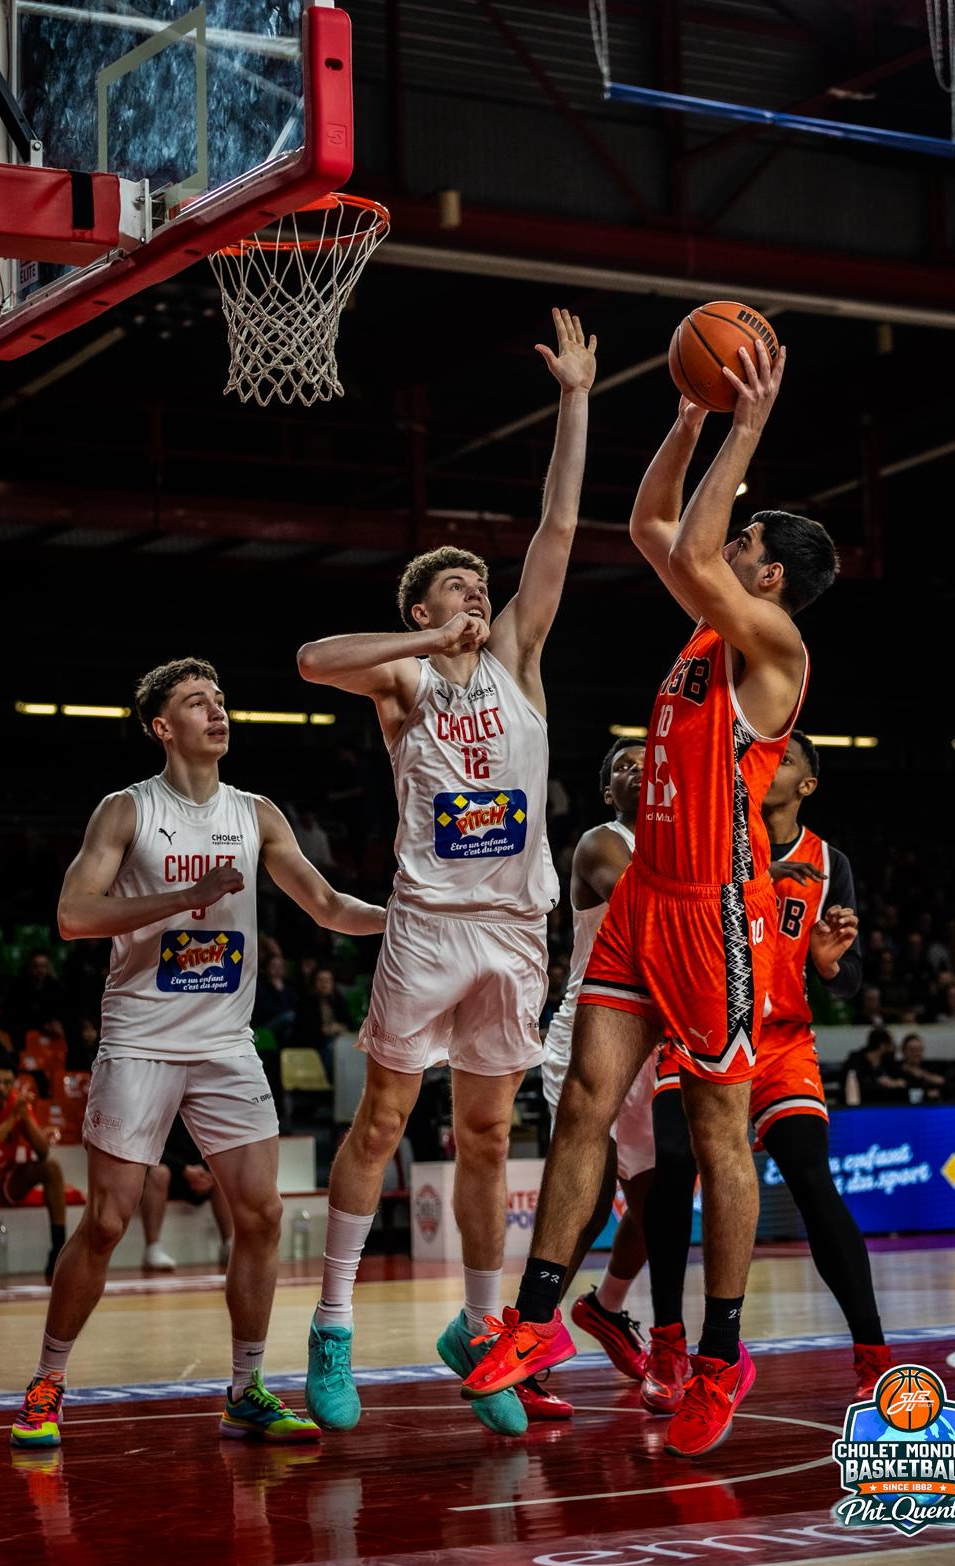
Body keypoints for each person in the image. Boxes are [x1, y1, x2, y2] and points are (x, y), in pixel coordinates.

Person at [463, 341, 840, 1458]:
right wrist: (687, 415)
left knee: (720, 1136)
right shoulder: (703, 625)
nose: (729, 539)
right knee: (583, 1103)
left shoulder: (771, 643)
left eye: (747, 538)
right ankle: (536, 1321)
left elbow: (688, 547)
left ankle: (720, 1351)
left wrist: (745, 423)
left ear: (767, 572)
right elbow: (647, 531)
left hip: (711, 910)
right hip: (640, 900)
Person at [296, 308, 597, 1440]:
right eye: (458, 588)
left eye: (482, 583)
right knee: (379, 1122)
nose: (479, 593)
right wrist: (425, 646)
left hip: (516, 930)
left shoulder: (519, 654)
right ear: (421, 611)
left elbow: (560, 522)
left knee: (485, 1137)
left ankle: (480, 1333)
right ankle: (330, 1324)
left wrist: (572, 397)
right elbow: (310, 659)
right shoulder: (405, 681)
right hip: (428, 921)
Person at [9, 657, 386, 1451]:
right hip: (141, 1037)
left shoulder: (256, 813)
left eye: (220, 697)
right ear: (162, 727)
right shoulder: (127, 811)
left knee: (262, 1213)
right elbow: (74, 915)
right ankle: (47, 1381)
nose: (216, 710)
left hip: (224, 1043)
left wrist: (406, 917)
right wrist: (183, 897)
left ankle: (246, 1390)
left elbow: (324, 904)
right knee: (108, 1220)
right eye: (196, 702)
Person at [645, 731, 892, 1411]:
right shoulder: (719, 837)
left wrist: (829, 958)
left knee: (813, 1178)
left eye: (783, 760)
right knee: (672, 1165)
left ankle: (872, 1352)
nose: (766, 766)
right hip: (701, 1027)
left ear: (807, 785)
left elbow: (845, 984)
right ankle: (668, 1339)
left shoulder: (828, 862)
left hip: (781, 1044)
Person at [541, 737, 654, 1401]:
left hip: (658, 1038)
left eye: (649, 761)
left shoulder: (687, 846)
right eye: (622, 766)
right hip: (591, 1031)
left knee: (657, 1206)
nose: (637, 769)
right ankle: (533, 1337)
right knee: (582, 1207)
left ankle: (607, 1308)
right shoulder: (602, 843)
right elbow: (643, 905)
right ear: (608, 792)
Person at [0, 1055, 66, 1282]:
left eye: (7, 1083)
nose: (2, 1088)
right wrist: (10, 1121)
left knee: (51, 1168)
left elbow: (43, 1152)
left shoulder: (16, 1105)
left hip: (5, 1181)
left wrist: (25, 1118)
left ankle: (58, 1250)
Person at [139, 1114, 234, 1271]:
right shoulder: (160, 1106)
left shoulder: (203, 1104)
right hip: (169, 1170)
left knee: (221, 1172)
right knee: (159, 1173)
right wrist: (183, 1169)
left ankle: (228, 1244)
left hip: (198, 1171)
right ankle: (152, 1248)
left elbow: (218, 1141)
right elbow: (149, 1146)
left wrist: (207, 1171)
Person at [847, 1027, 906, 1104]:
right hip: (862, 1103)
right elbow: (853, 1081)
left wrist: (894, 1082)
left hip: (885, 1103)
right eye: (891, 1042)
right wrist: (877, 1081)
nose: (893, 1045)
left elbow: (901, 1079)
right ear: (882, 1045)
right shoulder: (856, 1059)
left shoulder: (888, 1060)